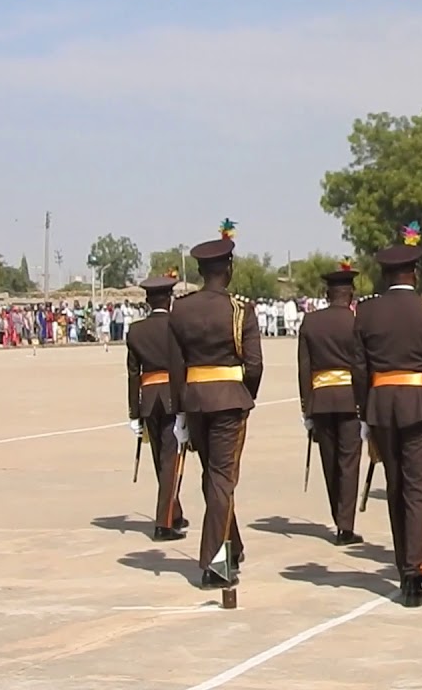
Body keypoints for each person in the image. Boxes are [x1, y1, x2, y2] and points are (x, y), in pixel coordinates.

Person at [351, 228, 422, 607]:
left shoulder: (367, 309)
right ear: (413, 272)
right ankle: (414, 570)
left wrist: (365, 409)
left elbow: (358, 368)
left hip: (380, 405)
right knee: (418, 490)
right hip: (421, 401)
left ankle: (403, 567)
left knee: (396, 487)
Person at [167, 226, 263, 589]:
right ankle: (216, 563)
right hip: (229, 400)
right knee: (222, 480)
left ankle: (232, 545)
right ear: (228, 269)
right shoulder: (240, 310)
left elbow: (176, 365)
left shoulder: (183, 309)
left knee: (213, 477)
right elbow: (254, 365)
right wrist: (244, 395)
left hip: (194, 399)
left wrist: (179, 410)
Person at [297, 260, 364, 546]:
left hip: (321, 398)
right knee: (349, 462)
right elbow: (363, 365)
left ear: (327, 295)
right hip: (350, 399)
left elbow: (304, 368)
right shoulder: (357, 322)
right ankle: (345, 526)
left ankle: (338, 516)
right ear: (351, 295)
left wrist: (306, 407)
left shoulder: (311, 321)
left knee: (330, 461)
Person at [126, 270, 188, 542]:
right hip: (174, 396)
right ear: (170, 299)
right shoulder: (178, 326)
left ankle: (173, 512)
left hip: (148, 396)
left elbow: (132, 373)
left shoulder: (136, 330)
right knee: (172, 460)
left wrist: (133, 412)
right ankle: (163, 524)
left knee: (161, 460)